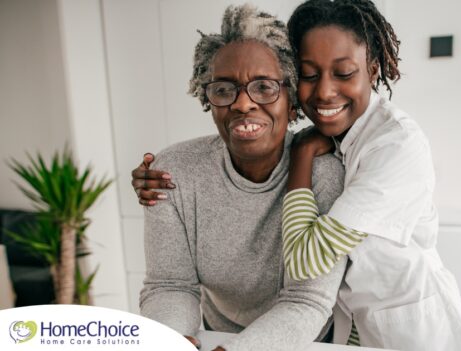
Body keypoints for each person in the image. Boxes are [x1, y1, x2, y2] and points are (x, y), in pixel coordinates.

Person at [137, 5, 346, 351]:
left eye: (263, 87)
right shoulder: (173, 171)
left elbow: (306, 301)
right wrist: (169, 339)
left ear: (291, 100)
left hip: (303, 341)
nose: (242, 104)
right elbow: (169, 284)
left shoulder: (324, 173)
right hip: (215, 333)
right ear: (210, 101)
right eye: (224, 89)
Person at [279, 0, 461, 350]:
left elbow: (305, 258)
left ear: (372, 71)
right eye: (309, 75)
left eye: (343, 73)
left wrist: (302, 154)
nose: (324, 91)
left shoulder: (397, 144)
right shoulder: (339, 134)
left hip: (412, 332)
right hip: (357, 327)